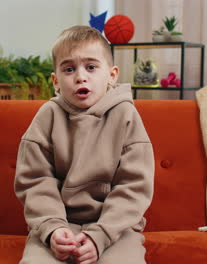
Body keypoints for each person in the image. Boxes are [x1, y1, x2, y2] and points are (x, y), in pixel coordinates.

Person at [14, 25, 154, 264]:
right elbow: (35, 182)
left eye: (91, 67)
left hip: (115, 228)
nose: (80, 76)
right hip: (57, 225)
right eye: (69, 69)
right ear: (56, 81)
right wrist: (53, 229)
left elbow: (133, 186)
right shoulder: (47, 116)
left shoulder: (126, 115)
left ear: (111, 75)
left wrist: (100, 235)